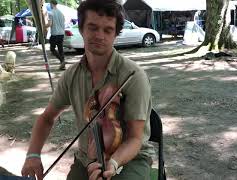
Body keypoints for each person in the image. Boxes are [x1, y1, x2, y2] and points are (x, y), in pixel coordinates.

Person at [21, 0, 154, 180]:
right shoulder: (71, 76)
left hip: (130, 158)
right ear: (81, 29)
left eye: (107, 30)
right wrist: (33, 155)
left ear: (115, 34)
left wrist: (113, 163)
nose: (100, 35)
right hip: (86, 158)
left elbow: (135, 139)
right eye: (92, 27)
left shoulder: (133, 76)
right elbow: (46, 118)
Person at [48, 0, 66, 70]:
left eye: (50, 4)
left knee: (52, 49)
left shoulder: (51, 13)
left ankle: (62, 61)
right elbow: (63, 23)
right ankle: (63, 65)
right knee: (60, 49)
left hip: (55, 33)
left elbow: (50, 24)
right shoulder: (61, 13)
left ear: (52, 4)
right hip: (61, 33)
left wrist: (43, 26)